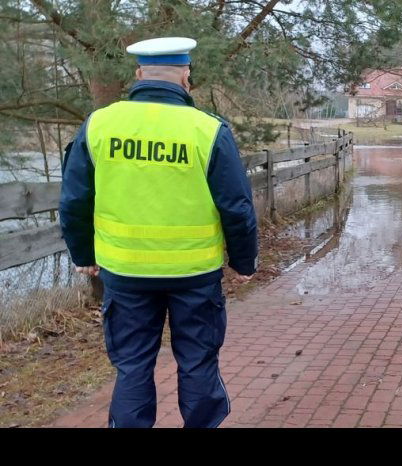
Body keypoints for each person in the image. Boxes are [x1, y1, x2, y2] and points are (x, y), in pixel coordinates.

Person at [59, 37, 258, 428]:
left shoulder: (100, 124)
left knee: (132, 365)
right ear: (186, 76)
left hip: (125, 271)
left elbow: (74, 199)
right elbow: (236, 205)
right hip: (194, 274)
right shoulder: (207, 129)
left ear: (138, 75)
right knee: (198, 361)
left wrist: (83, 255)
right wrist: (243, 260)